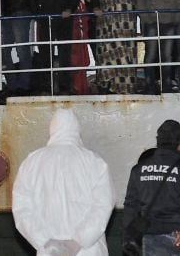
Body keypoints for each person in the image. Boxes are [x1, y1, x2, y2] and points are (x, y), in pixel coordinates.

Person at [12, 109, 115, 256]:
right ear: (77, 129)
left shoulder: (32, 162)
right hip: (88, 250)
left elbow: (22, 209)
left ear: (52, 129)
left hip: (50, 252)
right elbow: (103, 206)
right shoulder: (94, 162)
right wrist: (78, 241)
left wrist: (44, 241)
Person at [123, 120, 180, 256]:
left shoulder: (138, 170)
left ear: (158, 143)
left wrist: (129, 237)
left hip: (151, 237)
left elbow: (130, 207)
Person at [30, 0, 76, 95]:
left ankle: (64, 87)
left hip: (64, 18)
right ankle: (45, 86)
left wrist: (70, 8)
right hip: (44, 19)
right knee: (44, 53)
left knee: (64, 53)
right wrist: (37, 13)